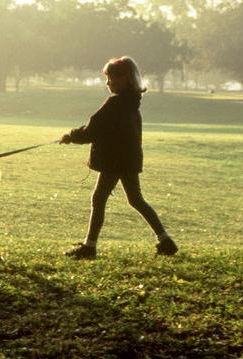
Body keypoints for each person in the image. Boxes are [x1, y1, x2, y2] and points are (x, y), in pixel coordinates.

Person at [59, 56, 178, 259]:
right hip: (127, 159)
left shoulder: (116, 103)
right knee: (136, 200)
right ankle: (165, 240)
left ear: (124, 79)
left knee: (99, 199)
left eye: (111, 78)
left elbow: (93, 130)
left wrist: (71, 136)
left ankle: (89, 247)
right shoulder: (131, 102)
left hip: (115, 160)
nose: (108, 83)